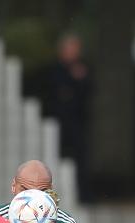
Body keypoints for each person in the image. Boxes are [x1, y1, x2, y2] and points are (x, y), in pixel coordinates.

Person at [46, 34, 91, 202]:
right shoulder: (56, 71)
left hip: (77, 123)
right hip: (57, 124)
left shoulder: (82, 70)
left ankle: (82, 195)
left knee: (79, 160)